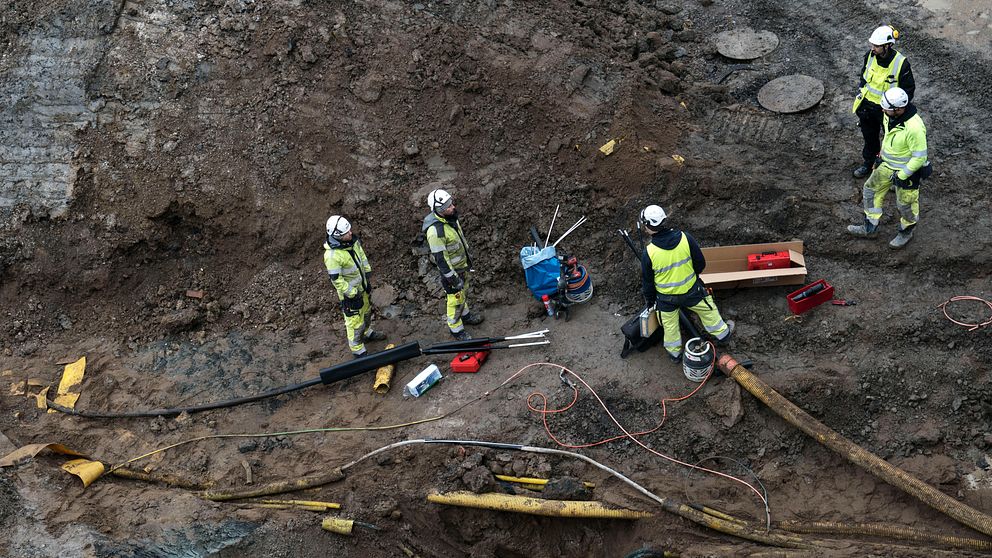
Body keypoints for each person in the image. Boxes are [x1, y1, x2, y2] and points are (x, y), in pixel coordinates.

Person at [639, 205, 734, 362]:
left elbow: (648, 283)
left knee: (670, 327)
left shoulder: (649, 252)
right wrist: (692, 277)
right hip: (692, 291)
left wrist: (650, 301)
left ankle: (675, 354)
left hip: (666, 299)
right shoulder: (685, 238)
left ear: (648, 226)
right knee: (708, 311)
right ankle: (723, 334)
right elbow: (700, 263)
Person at [846, 87, 929, 249]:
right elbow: (887, 138)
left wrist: (903, 175)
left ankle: (906, 231)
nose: (882, 110)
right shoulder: (888, 116)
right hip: (887, 165)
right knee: (871, 190)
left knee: (905, 204)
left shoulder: (914, 127)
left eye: (886, 108)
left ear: (898, 109)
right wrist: (880, 157)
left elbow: (920, 157)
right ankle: (870, 227)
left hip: (907, 172)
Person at [852, 25, 915, 178]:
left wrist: (896, 109)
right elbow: (864, 76)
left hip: (888, 111)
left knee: (893, 143)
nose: (873, 48)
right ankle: (869, 162)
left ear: (887, 46)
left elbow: (908, 89)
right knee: (869, 138)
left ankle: (893, 171)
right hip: (867, 107)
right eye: (872, 45)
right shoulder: (869, 56)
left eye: (877, 46)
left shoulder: (901, 63)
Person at [422, 188, 483, 340]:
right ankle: (456, 330)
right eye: (448, 206)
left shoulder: (451, 219)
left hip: (462, 267)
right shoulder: (435, 232)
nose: (452, 207)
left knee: (462, 293)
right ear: (439, 209)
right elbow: (441, 259)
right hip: (452, 273)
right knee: (454, 300)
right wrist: (453, 278)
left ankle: (466, 315)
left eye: (451, 203)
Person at [322, 215, 386, 358]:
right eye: (346, 232)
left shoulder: (352, 242)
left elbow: (361, 256)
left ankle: (367, 332)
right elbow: (336, 280)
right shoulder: (332, 256)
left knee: (367, 312)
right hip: (350, 294)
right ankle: (357, 348)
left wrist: (367, 274)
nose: (350, 233)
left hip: (361, 287)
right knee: (354, 322)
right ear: (337, 236)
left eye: (349, 230)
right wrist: (351, 292)